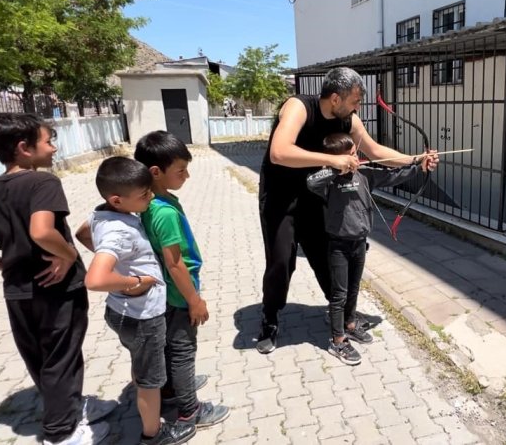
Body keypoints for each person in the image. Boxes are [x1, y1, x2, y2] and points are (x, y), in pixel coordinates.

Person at [256, 66, 439, 354]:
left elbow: (376, 151)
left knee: (326, 257)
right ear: (334, 98)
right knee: (282, 262)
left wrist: (417, 159)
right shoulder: (299, 107)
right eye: (354, 101)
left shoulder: (347, 120)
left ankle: (343, 317)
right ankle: (269, 319)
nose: (358, 108)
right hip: (281, 197)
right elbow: (279, 152)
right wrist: (332, 162)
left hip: (318, 196)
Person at [0, 113, 115, 445]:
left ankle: (68, 408)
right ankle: (62, 433)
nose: (55, 148)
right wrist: (69, 255)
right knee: (62, 356)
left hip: (17, 291)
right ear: (24, 148)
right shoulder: (42, 183)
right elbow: (42, 231)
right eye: (48, 141)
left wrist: (8, 266)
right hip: (57, 289)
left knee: (40, 356)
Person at [75, 157, 196, 445]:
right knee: (149, 381)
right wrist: (134, 282)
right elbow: (94, 279)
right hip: (142, 317)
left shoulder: (101, 215)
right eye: (144, 195)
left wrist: (122, 268)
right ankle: (153, 433)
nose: (151, 197)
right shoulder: (119, 231)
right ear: (117, 200)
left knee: (142, 368)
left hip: (121, 312)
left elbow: (81, 233)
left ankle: (149, 405)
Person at [134, 131, 230, 430]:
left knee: (170, 348)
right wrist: (195, 300)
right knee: (183, 351)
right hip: (179, 293)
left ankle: (172, 388)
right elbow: (175, 264)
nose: (187, 176)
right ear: (155, 172)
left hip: (166, 293)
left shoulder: (151, 203)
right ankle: (190, 411)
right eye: (180, 171)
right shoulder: (163, 212)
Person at [307, 133, 427, 365]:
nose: (356, 157)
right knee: (339, 294)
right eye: (351, 155)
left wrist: (420, 165)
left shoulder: (365, 174)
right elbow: (311, 182)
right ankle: (337, 340)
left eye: (355, 153)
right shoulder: (328, 181)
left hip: (359, 242)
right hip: (338, 245)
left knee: (353, 288)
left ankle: (350, 324)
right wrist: (336, 167)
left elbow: (395, 175)